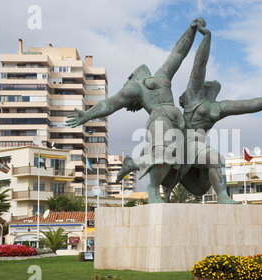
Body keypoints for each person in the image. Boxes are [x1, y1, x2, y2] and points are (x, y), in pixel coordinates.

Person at [118, 25, 262, 203]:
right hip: (181, 138)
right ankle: (141, 173)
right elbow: (200, 64)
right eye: (209, 83)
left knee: (216, 159)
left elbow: (245, 105)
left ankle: (222, 197)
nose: (213, 84)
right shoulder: (194, 96)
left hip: (194, 146)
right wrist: (206, 38)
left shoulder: (218, 108)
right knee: (164, 157)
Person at [66, 18, 206, 203]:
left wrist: (191, 29)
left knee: (182, 158)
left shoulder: (162, 75)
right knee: (163, 153)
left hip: (177, 122)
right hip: (160, 119)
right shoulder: (135, 88)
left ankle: (135, 165)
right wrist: (88, 115)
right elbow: (111, 103)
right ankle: (153, 189)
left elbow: (178, 53)